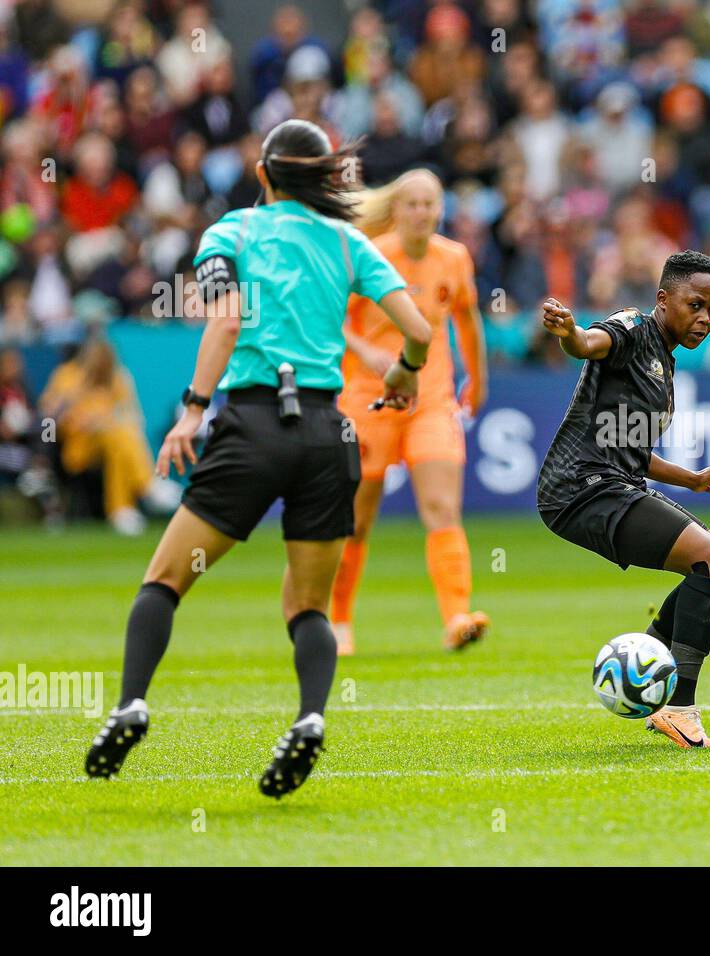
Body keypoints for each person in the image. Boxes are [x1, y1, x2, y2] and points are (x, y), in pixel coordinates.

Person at [84, 120, 433, 797]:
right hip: (329, 434)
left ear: (265, 174)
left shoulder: (231, 235)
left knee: (164, 579)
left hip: (252, 425)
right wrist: (403, 374)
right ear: (322, 176)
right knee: (309, 605)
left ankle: (131, 703)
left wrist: (191, 409)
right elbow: (417, 331)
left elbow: (224, 319)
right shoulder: (345, 239)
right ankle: (308, 718)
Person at [536, 251, 710, 749]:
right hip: (579, 487)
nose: (705, 319)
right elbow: (589, 344)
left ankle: (648, 680)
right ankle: (680, 709)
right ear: (663, 300)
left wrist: (689, 479)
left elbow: (626, 443)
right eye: (695, 305)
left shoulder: (663, 365)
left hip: (613, 480)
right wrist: (569, 333)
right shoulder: (632, 328)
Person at [330, 169, 490, 654]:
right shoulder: (369, 255)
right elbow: (332, 320)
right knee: (356, 519)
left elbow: (466, 318)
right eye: (412, 204)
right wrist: (366, 352)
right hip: (368, 399)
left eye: (429, 203)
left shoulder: (453, 258)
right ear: (395, 210)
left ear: (440, 209)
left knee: (442, 508)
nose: (421, 212)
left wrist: (478, 380)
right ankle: (337, 621)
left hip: (431, 400)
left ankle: (456, 616)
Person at [39, 336, 173, 535]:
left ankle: (122, 510)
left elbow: (133, 416)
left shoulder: (117, 378)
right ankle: (147, 486)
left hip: (112, 441)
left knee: (120, 436)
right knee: (120, 435)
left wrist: (103, 422)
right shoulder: (67, 377)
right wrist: (59, 428)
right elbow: (47, 420)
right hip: (77, 447)